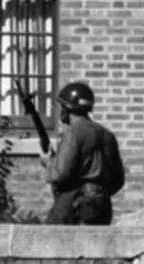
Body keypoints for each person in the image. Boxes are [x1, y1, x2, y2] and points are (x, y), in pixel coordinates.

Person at [42, 82, 125, 224]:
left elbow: (60, 174)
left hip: (73, 203)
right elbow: (118, 180)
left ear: (66, 108)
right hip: (102, 205)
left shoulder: (74, 131)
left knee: (49, 241)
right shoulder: (107, 135)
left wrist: (48, 163)